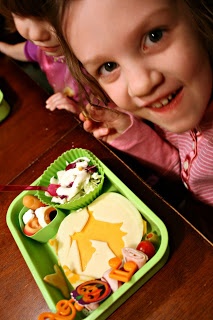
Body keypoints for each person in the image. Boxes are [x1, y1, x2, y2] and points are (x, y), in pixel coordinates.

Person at [47, 0, 213, 211]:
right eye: (109, 66)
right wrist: (132, 136)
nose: (140, 85)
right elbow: (185, 172)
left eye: (155, 36)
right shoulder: (181, 100)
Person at [0, 1, 89, 114]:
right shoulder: (44, 48)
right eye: (21, 15)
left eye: (51, 14)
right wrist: (3, 48)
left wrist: (81, 112)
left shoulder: (99, 56)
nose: (35, 34)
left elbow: (116, 117)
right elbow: (22, 51)